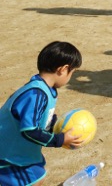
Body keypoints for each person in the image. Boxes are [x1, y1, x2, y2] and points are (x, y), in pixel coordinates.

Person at [0, 41, 84, 185]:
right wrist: (60, 140)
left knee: (37, 178)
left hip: (22, 153)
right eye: (72, 72)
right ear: (63, 69)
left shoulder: (46, 90)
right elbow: (29, 130)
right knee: (36, 180)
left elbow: (43, 119)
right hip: (10, 155)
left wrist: (57, 127)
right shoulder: (36, 93)